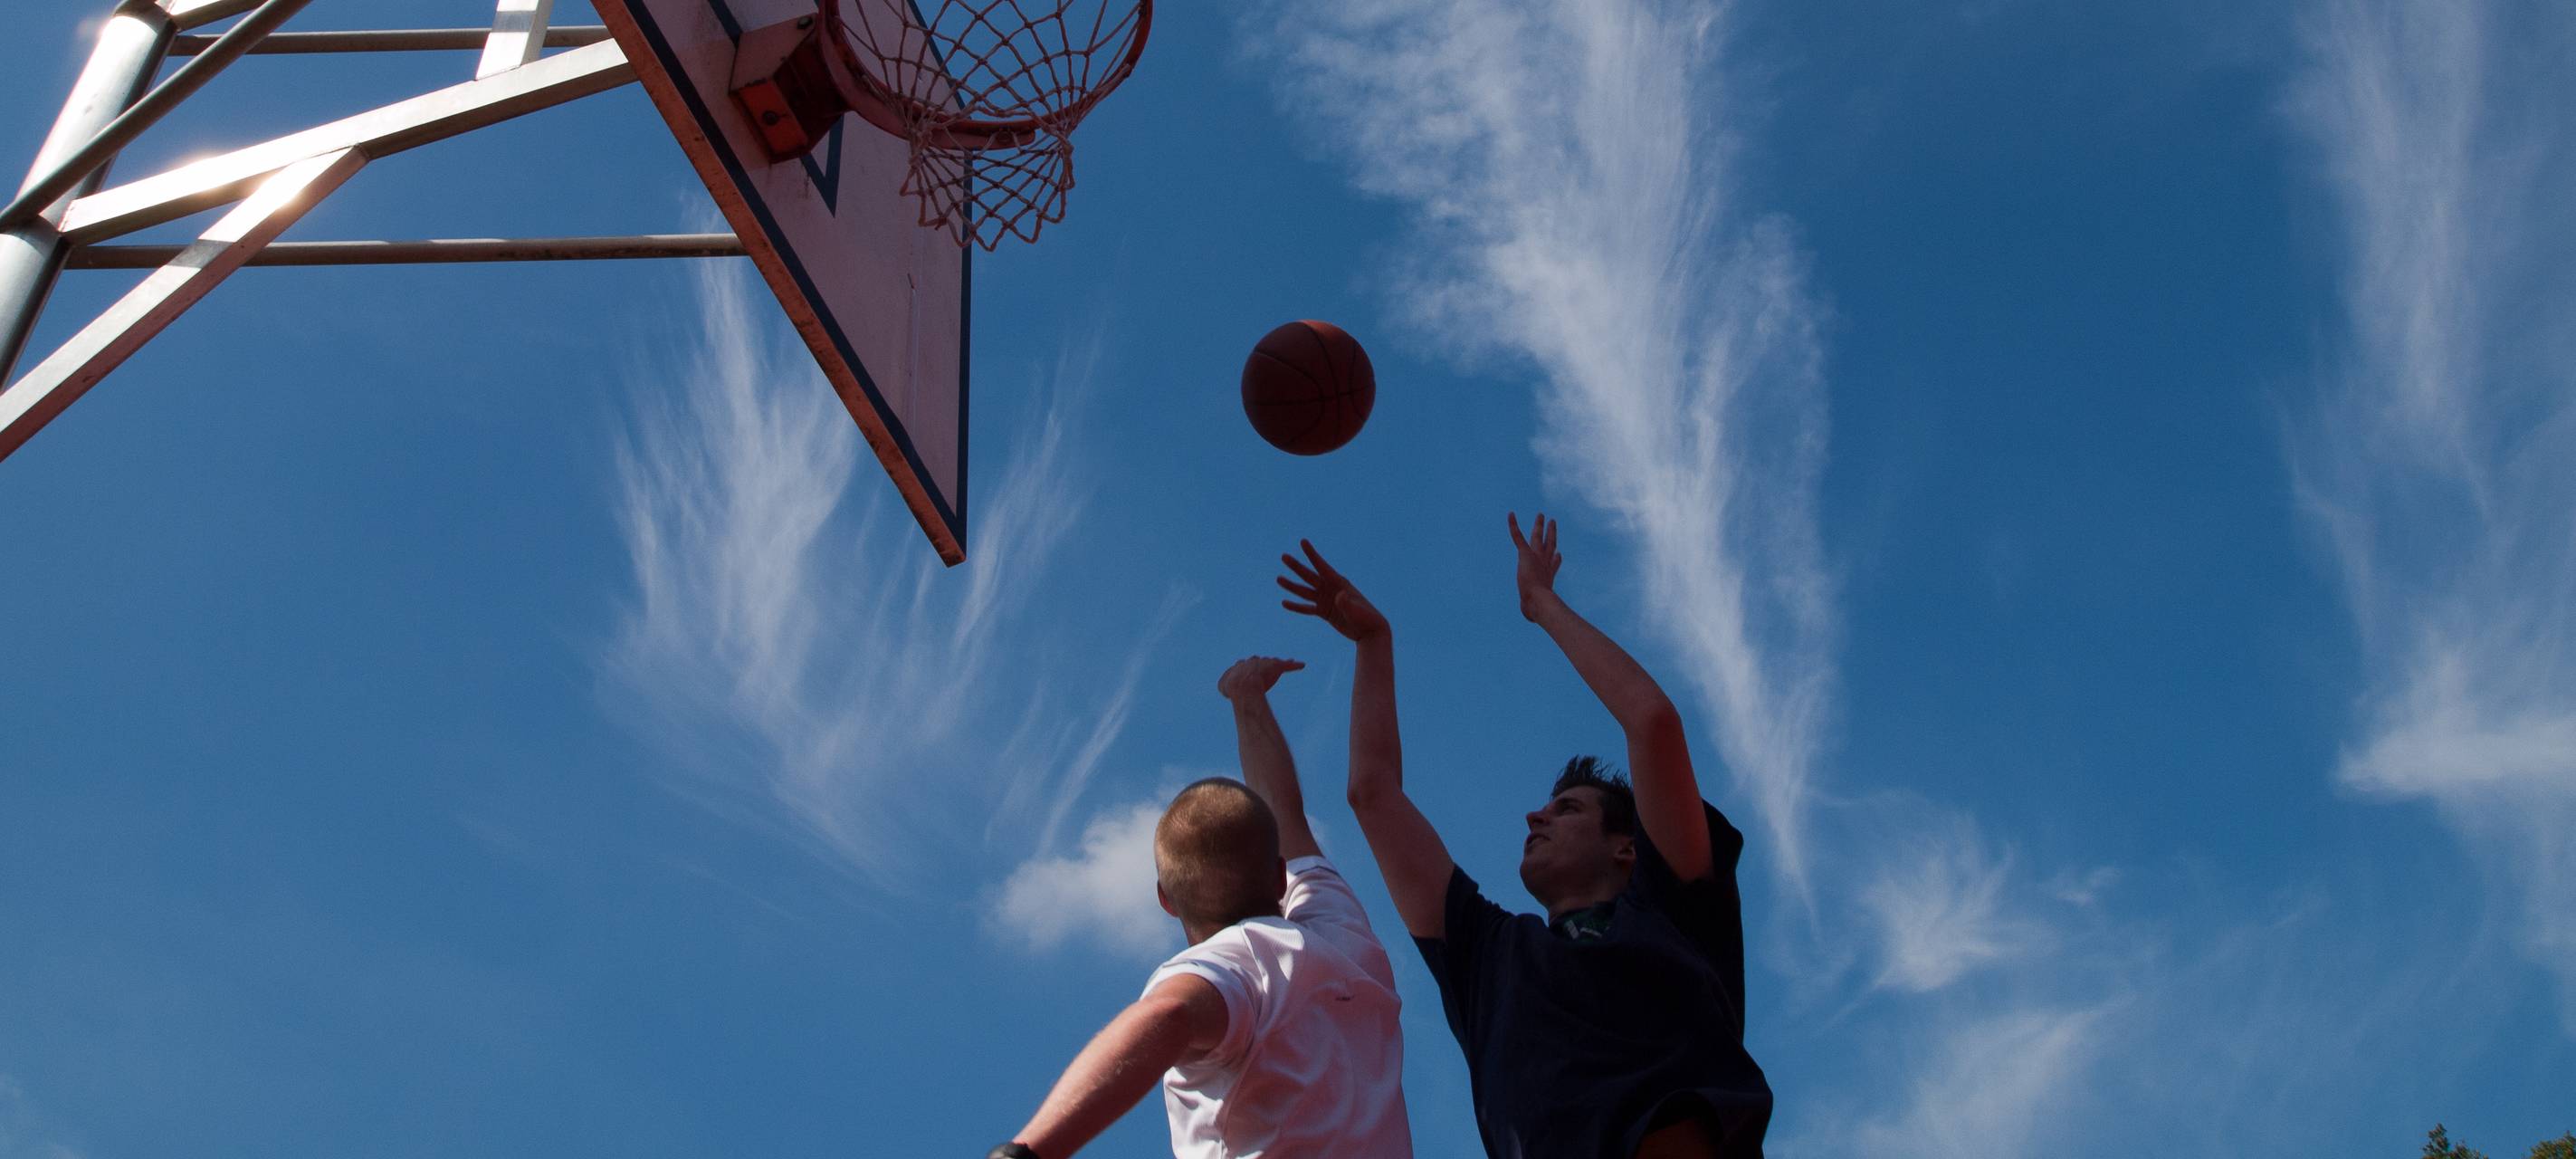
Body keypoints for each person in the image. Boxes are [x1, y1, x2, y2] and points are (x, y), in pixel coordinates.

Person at [1276, 513, 1771, 1159]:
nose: (1535, 818)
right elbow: (1373, 795)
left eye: (1566, 809)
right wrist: (1373, 642)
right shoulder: (1489, 956)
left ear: (1627, 847)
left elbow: (1651, 722)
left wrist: (1541, 604)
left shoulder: (1670, 907)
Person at [987, 656, 1412, 1159]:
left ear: (1166, 900)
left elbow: (1167, 1016)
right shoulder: (1342, 935)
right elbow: (1288, 816)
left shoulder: (1232, 967)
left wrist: (1029, 1152)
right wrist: (1247, 698)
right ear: (1280, 876)